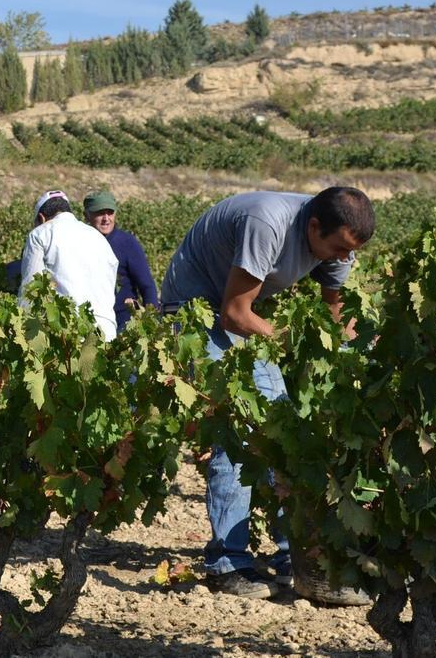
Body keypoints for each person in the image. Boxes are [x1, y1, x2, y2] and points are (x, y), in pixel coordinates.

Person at [160, 188, 374, 601]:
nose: (342, 259)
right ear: (314, 227)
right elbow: (234, 314)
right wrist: (295, 344)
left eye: (351, 252)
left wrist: (359, 361)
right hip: (193, 308)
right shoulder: (268, 222)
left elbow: (338, 315)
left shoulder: (337, 242)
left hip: (238, 310)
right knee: (240, 428)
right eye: (337, 249)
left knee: (286, 429)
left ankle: (296, 559)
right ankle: (228, 564)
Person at [18, 190, 118, 341]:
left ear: (41, 218)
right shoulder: (99, 238)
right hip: (106, 332)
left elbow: (30, 291)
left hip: (69, 335)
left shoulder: (40, 234)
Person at [82, 190, 158, 331]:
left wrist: (151, 320)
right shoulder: (80, 243)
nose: (106, 218)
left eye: (110, 213)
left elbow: (147, 285)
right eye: (100, 213)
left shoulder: (127, 243)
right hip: (91, 321)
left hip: (124, 321)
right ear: (86, 215)